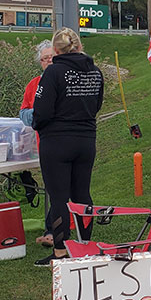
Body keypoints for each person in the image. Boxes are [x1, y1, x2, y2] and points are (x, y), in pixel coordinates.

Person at [32, 27, 104, 266]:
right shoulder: (95, 72)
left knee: (59, 197)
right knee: (83, 193)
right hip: (86, 140)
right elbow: (97, 105)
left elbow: (42, 111)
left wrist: (38, 124)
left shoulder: (53, 72)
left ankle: (61, 251)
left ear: (56, 50)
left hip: (57, 141)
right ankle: (85, 245)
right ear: (79, 46)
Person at [20, 40, 54, 247]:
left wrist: (43, 115)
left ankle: (54, 231)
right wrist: (41, 114)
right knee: (53, 187)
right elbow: (23, 114)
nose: (49, 61)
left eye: (52, 57)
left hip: (64, 142)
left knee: (63, 189)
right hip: (44, 144)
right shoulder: (34, 84)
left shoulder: (66, 81)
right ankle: (55, 228)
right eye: (44, 59)